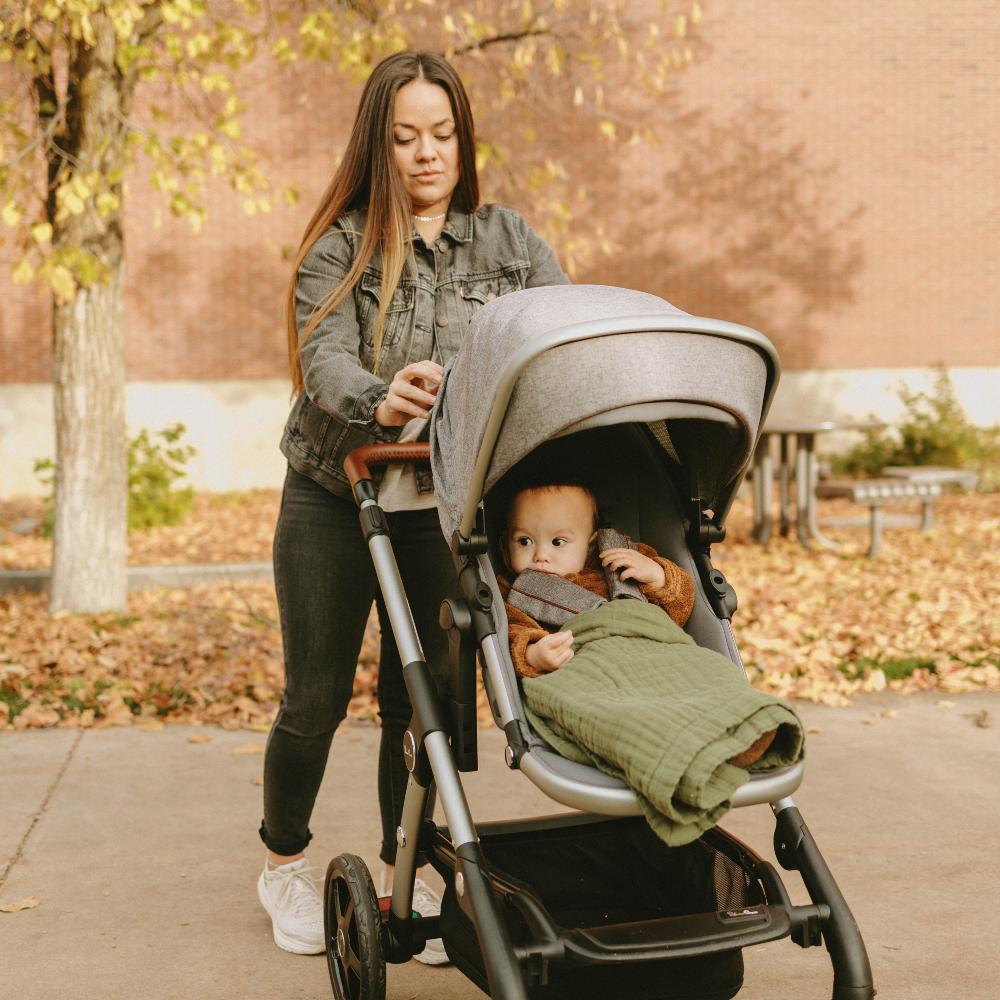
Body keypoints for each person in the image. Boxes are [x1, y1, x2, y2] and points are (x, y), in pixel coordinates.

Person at [257, 51, 569, 962]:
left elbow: (560, 332)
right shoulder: (340, 247)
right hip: (334, 493)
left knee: (423, 695)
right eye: (405, 137)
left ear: (463, 141)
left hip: (442, 503)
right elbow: (324, 366)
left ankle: (409, 873)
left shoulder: (510, 243)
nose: (427, 154)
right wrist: (380, 395)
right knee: (313, 695)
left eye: (442, 134)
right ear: (376, 145)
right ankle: (283, 859)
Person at [498, 483, 695, 677]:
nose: (541, 555)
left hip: (655, 658)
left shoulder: (622, 561)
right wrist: (533, 655)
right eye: (524, 541)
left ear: (590, 544)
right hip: (592, 673)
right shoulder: (512, 594)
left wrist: (659, 576)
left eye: (558, 542)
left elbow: (681, 606)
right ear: (507, 542)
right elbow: (510, 637)